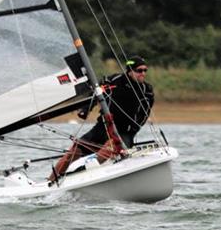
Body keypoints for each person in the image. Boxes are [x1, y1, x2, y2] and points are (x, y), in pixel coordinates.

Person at [48, 55, 155, 183]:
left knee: (107, 150)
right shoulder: (113, 81)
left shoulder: (147, 91)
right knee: (73, 152)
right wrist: (86, 109)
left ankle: (81, 176)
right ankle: (49, 182)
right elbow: (96, 93)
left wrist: (133, 130)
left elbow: (144, 115)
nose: (143, 73)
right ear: (130, 70)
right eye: (139, 70)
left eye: (145, 70)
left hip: (124, 133)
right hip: (103, 127)